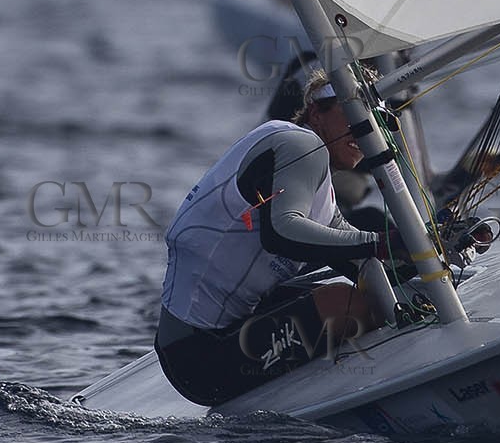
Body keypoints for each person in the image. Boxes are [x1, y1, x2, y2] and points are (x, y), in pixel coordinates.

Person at [155, 73, 398, 406]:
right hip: (198, 360)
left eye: (374, 119)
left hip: (212, 334)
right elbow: (282, 231)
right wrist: (380, 243)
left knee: (354, 284)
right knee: (348, 304)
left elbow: (366, 260)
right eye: (352, 114)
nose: (364, 130)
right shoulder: (301, 144)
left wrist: (438, 244)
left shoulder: (318, 185)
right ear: (316, 113)